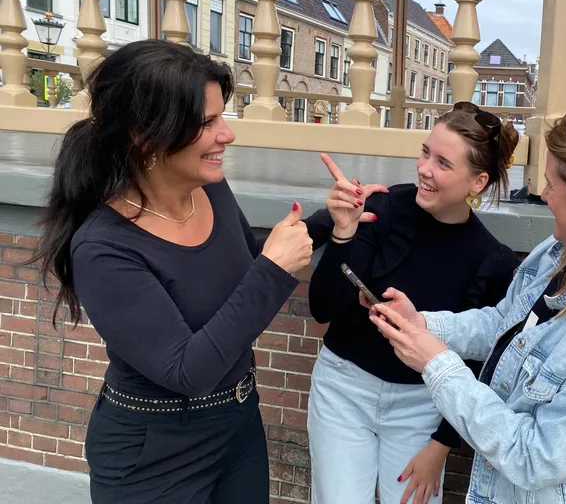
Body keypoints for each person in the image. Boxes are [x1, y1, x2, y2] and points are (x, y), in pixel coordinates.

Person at [27, 39, 357, 503]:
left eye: (223, 116)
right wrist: (274, 270)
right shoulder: (104, 248)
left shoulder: (209, 191)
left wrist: (329, 218)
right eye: (207, 123)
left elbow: (240, 265)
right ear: (146, 135)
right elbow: (187, 370)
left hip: (238, 426)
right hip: (154, 452)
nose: (228, 134)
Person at [367, 100, 566, 503]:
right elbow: (504, 323)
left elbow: (534, 457)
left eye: (551, 184)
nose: (542, 195)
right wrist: (426, 324)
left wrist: (437, 365)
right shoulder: (558, 253)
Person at [305, 102, 522, 504]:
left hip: (423, 407)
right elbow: (322, 307)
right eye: (425, 152)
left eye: (442, 162)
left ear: (478, 181)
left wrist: (441, 446)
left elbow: (481, 363)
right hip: (344, 390)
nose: (424, 168)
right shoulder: (384, 208)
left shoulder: (491, 258)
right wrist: (342, 234)